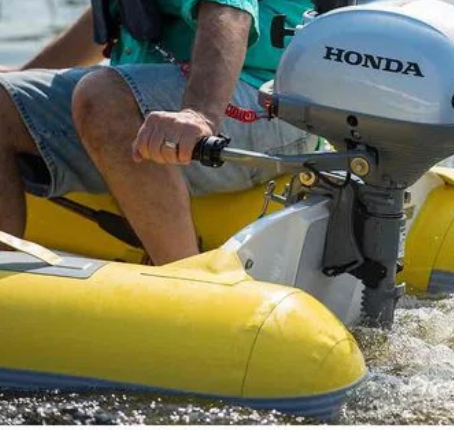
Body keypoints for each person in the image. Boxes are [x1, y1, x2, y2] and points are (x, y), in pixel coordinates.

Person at [0, 0, 315, 264]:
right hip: (152, 87)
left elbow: (229, 12)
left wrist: (199, 114)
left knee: (105, 97)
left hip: (266, 103)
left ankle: (186, 282)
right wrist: (22, 77)